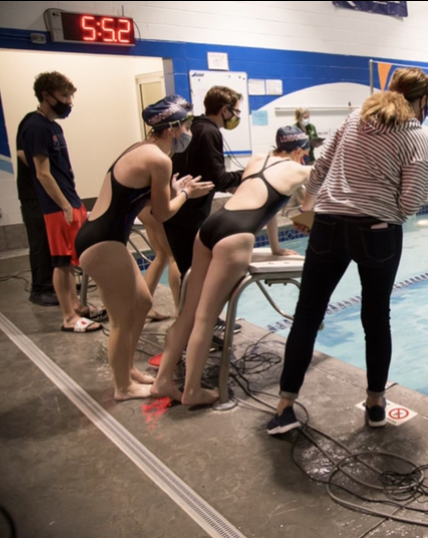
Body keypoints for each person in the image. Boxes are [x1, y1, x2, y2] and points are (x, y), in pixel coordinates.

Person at [266, 67, 428, 435]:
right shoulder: (416, 135)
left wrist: (309, 209)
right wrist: (387, 210)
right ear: (423, 101)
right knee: (376, 319)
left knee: (307, 314)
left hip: (327, 225)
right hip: (377, 231)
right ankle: (375, 404)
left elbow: (320, 167)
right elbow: (412, 200)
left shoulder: (355, 117)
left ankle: (283, 409)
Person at [151, 126, 313, 406]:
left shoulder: (256, 159)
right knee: (205, 318)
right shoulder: (300, 170)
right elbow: (311, 204)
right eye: (305, 153)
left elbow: (269, 206)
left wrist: (275, 248)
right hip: (236, 235)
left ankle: (162, 381)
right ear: (299, 151)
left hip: (212, 226)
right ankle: (192, 391)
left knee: (188, 312)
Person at [75, 95, 213, 401]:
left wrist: (172, 190)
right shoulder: (159, 160)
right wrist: (186, 194)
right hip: (102, 243)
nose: (189, 131)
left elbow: (142, 201)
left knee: (141, 302)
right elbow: (162, 214)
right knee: (122, 319)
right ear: (173, 127)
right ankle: (122, 387)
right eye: (186, 125)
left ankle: (129, 372)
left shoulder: (141, 149)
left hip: (102, 237)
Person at [19, 71, 103, 333]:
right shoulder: (35, 126)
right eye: (64, 95)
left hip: (70, 198)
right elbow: (42, 172)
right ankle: (68, 317)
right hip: (57, 206)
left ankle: (77, 306)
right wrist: (64, 205)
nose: (68, 101)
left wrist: (73, 202)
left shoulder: (53, 126)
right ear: (46, 95)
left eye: (70, 95)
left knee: (71, 258)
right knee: (61, 261)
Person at [164, 86, 245, 303]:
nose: (237, 116)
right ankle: (196, 323)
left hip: (180, 210)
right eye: (236, 111)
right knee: (197, 272)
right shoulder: (210, 132)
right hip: (189, 211)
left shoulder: (196, 127)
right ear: (224, 110)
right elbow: (217, 179)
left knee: (188, 271)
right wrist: (247, 174)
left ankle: (188, 319)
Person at [16, 111, 57, 306]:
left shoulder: (49, 126)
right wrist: (47, 169)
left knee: (51, 241)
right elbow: (23, 153)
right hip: (33, 195)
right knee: (40, 241)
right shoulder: (33, 125)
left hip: (45, 195)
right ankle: (40, 288)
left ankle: (54, 283)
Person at [137, 205, 181, 320]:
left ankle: (142, 307)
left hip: (143, 208)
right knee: (174, 256)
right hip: (158, 207)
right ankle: (180, 311)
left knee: (162, 255)